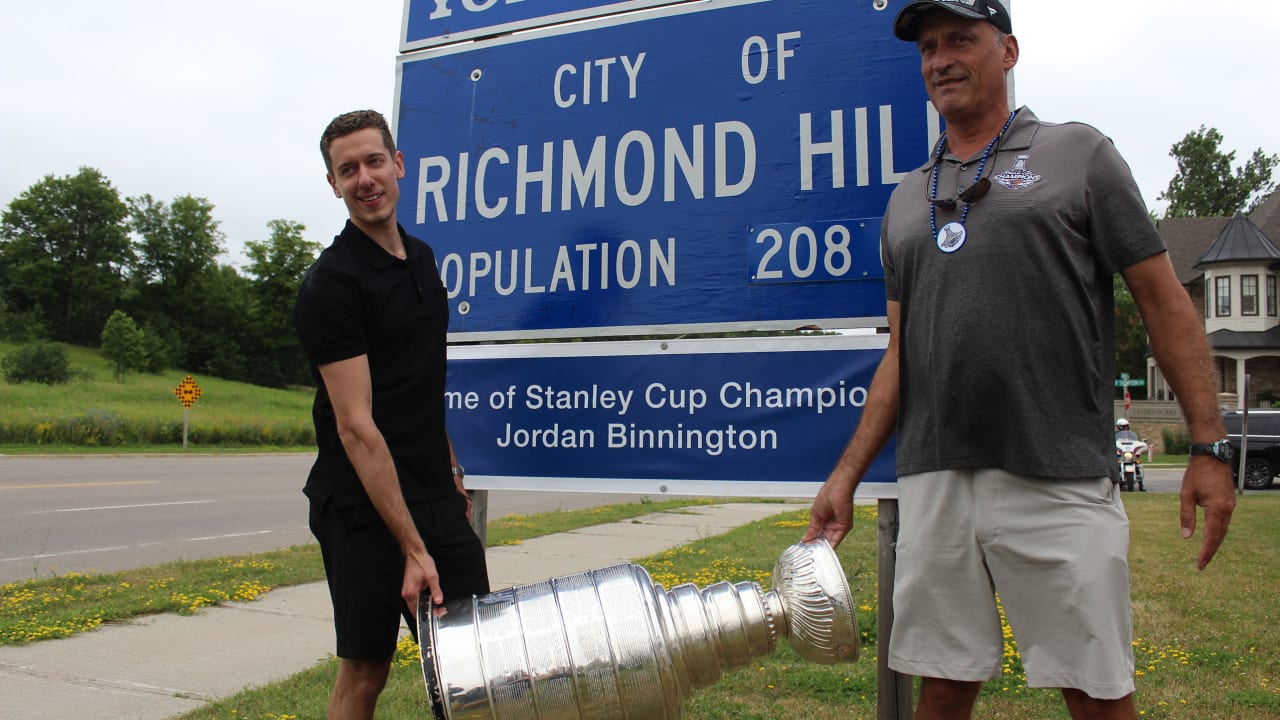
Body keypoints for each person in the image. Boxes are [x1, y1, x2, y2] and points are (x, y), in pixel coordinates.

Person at [802, 2, 1236, 718]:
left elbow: (1164, 302)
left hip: (1057, 472)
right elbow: (901, 353)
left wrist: (1209, 445)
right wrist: (844, 476)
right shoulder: (907, 199)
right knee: (940, 690)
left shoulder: (1079, 156)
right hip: (938, 478)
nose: (941, 58)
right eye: (929, 47)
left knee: (1096, 693)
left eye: (961, 40)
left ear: (1007, 50)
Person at [295, 109, 490, 720]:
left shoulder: (424, 259)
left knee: (479, 657)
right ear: (333, 184)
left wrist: (452, 476)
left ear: (398, 165)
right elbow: (356, 425)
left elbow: (422, 385)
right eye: (347, 169)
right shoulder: (332, 285)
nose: (364, 179)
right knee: (366, 670)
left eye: (374, 161)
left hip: (433, 491)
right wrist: (411, 545)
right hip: (360, 505)